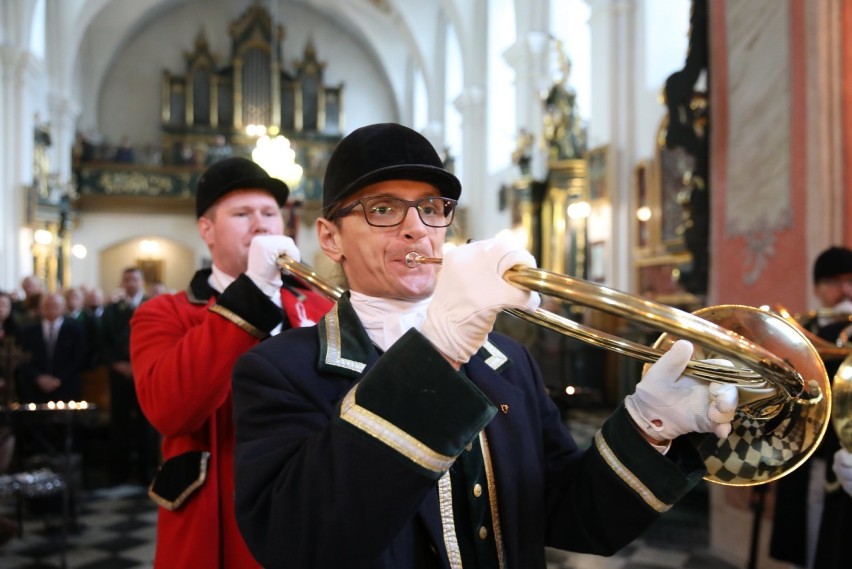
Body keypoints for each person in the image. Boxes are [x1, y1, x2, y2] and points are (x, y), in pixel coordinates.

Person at [230, 123, 739, 568]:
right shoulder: (279, 369)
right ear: (330, 237)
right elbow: (296, 541)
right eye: (383, 208)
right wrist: (438, 350)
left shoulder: (508, 359)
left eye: (431, 208)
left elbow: (569, 517)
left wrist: (648, 425)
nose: (416, 229)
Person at [129, 156, 334, 568]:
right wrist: (253, 293)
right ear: (207, 229)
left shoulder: (320, 304)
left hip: (310, 504)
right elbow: (170, 410)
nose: (261, 225)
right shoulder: (164, 313)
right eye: (242, 214)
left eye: (269, 213)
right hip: (218, 522)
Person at [770, 245, 852, 569]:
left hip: (843, 446)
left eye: (850, 280)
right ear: (818, 289)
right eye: (834, 282)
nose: (845, 290)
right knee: (811, 528)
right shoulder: (807, 332)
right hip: (812, 449)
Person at [101, 267, 158, 484]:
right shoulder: (113, 310)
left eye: (135, 279)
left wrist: (140, 366)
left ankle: (147, 472)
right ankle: (119, 473)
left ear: (141, 281)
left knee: (147, 424)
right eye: (127, 280)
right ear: (122, 282)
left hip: (145, 374)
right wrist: (117, 363)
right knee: (120, 423)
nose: (131, 283)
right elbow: (103, 340)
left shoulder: (152, 306)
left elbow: (156, 340)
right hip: (119, 373)